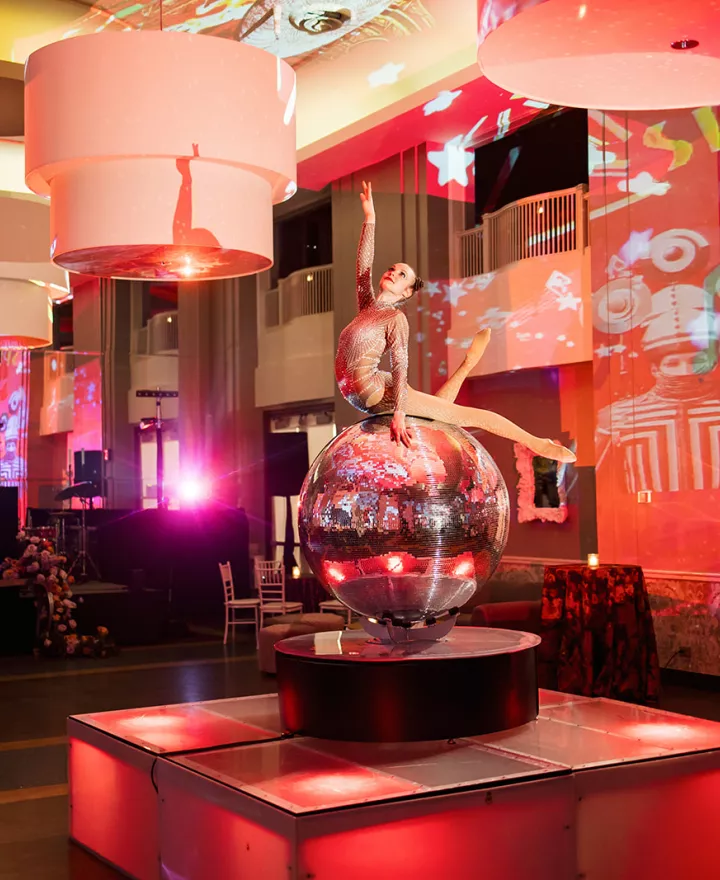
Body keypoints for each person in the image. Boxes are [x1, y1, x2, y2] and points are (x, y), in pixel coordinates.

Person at [335, 181, 576, 463]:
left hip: (376, 391)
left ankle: (537, 443)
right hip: (368, 389)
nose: (393, 274)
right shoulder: (367, 306)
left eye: (402, 275)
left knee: (463, 415)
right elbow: (363, 266)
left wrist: (399, 413)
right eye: (392, 269)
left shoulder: (396, 319)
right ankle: (468, 363)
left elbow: (401, 365)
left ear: (407, 292)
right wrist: (370, 219)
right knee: (439, 411)